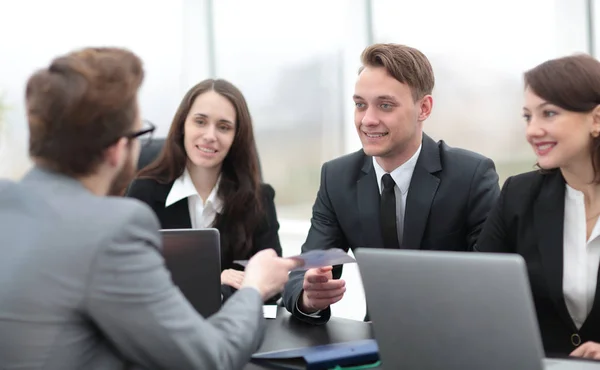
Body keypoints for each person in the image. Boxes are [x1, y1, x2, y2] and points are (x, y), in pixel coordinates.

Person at [0, 47, 300, 370]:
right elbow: (211, 359)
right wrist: (254, 287)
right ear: (118, 149)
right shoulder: (117, 228)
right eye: (140, 133)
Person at [282, 43, 500, 324]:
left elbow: (494, 283)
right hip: (378, 342)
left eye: (385, 105)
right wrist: (308, 297)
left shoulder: (472, 175)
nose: (368, 120)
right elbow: (302, 273)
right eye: (360, 105)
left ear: (424, 108)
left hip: (457, 337)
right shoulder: (337, 178)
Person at [476, 54, 600, 359]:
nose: (532, 131)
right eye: (528, 117)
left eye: (549, 114)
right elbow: (478, 293)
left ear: (596, 119)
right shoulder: (519, 194)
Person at [125, 79, 282, 303]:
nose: (210, 135)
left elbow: (272, 283)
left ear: (237, 137)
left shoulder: (259, 198)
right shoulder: (145, 192)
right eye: (200, 122)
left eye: (224, 127)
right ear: (182, 126)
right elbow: (130, 277)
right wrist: (214, 281)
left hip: (236, 328)